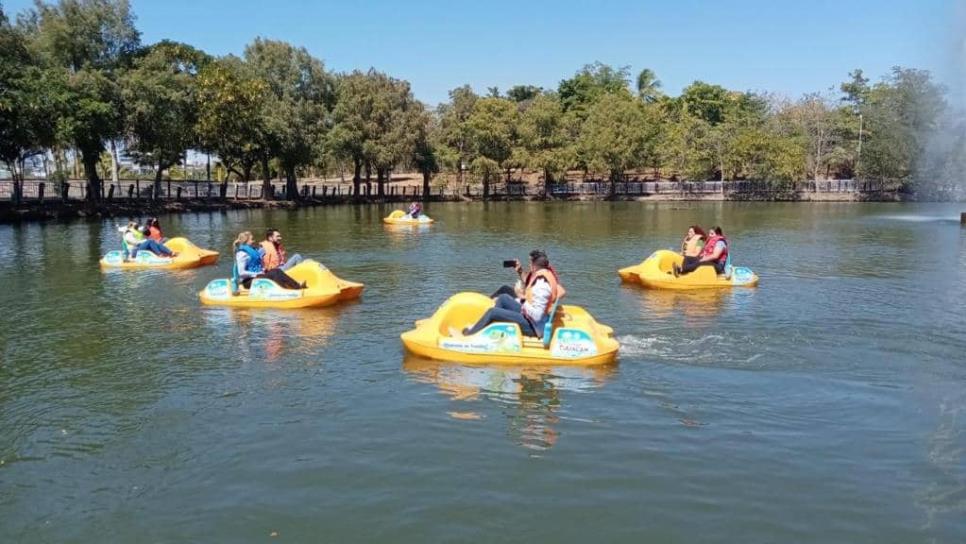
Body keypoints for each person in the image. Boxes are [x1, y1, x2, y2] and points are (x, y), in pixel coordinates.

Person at [461, 250, 564, 339]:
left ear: (533, 266)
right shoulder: (544, 276)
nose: (529, 265)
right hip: (531, 318)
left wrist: (520, 296)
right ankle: (492, 327)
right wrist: (520, 299)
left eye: (530, 263)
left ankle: (470, 335)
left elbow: (537, 316)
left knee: (492, 312)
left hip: (534, 327)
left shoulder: (542, 286)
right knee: (503, 298)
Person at [233, 231, 304, 290]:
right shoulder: (242, 254)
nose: (254, 241)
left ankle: (296, 286)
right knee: (274, 273)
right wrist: (257, 274)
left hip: (256, 277)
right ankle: (286, 289)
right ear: (246, 241)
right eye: (252, 239)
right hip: (248, 282)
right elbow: (241, 273)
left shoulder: (252, 251)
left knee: (276, 270)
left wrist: (263, 269)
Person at [490, 250, 560, 300]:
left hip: (527, 305)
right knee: (505, 288)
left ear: (535, 265)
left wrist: (519, 293)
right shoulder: (541, 270)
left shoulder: (543, 278)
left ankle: (489, 305)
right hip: (528, 300)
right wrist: (520, 270)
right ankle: (489, 301)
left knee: (502, 297)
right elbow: (528, 280)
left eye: (531, 262)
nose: (529, 264)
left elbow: (534, 302)